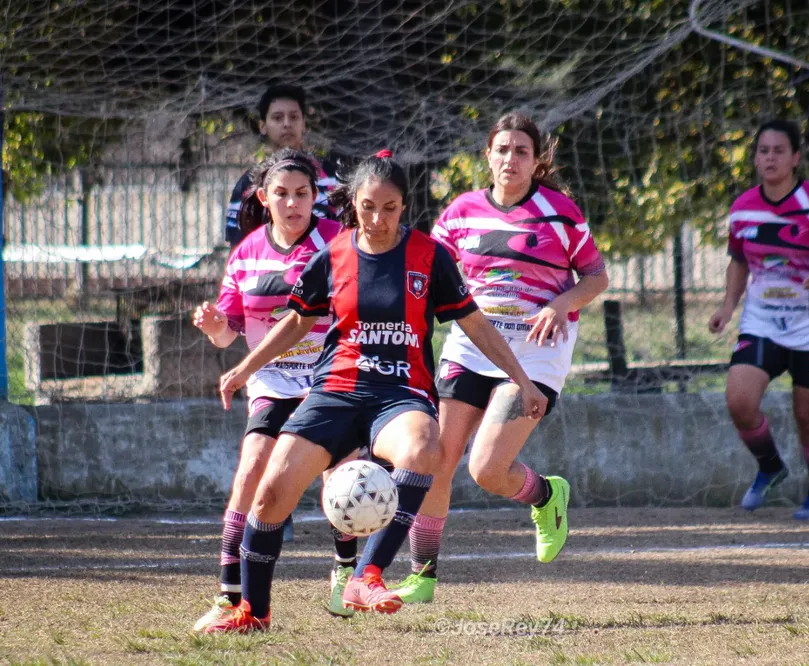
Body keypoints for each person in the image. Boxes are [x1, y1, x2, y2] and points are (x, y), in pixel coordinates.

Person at [198, 150, 548, 633]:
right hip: (335, 392)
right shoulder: (334, 253)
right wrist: (244, 368)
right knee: (271, 493)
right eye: (367, 207)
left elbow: (476, 324)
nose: (378, 219)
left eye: (389, 208)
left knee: (424, 450)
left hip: (400, 393)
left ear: (404, 206)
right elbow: (297, 321)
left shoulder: (429, 256)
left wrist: (523, 380)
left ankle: (367, 576)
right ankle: (253, 613)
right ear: (353, 204)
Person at [392, 112, 609, 604]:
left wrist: (560, 304)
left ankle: (547, 495)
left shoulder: (560, 213)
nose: (511, 159)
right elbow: (431, 273)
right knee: (436, 460)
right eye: (503, 149)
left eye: (521, 151)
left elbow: (596, 278)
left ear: (536, 160)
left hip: (534, 356)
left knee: (487, 469)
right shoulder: (461, 212)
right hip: (472, 348)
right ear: (488, 156)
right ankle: (422, 576)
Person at [191, 148, 361, 631]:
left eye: (302, 194)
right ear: (264, 198)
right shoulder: (246, 252)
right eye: (282, 194)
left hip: (329, 379)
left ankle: (345, 573)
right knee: (250, 474)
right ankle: (230, 598)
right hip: (272, 380)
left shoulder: (338, 241)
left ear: (314, 196)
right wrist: (213, 324)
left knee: (340, 481)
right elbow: (227, 335)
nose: (292, 203)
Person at [707, 118, 809, 520]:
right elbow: (738, 259)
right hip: (763, 322)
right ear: (755, 159)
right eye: (763, 151)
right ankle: (770, 466)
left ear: (795, 158)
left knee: (807, 418)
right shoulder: (743, 208)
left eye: (779, 151)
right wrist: (728, 306)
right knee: (739, 401)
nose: (770, 158)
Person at [224, 84, 343, 247]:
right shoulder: (250, 183)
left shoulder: (331, 176)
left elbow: (348, 236)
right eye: (277, 118)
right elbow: (238, 247)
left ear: (304, 124)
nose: (287, 124)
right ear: (263, 126)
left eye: (294, 117)